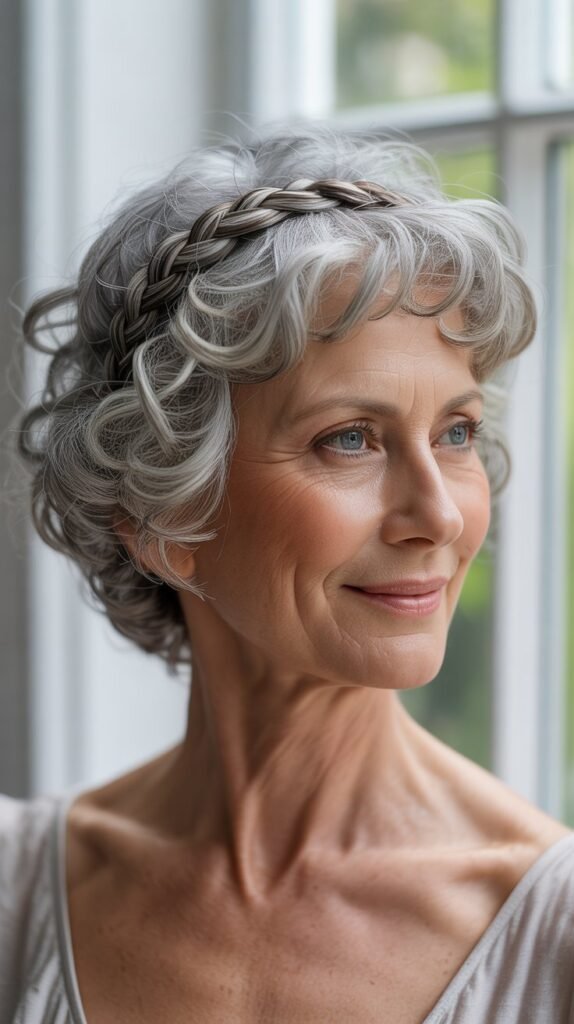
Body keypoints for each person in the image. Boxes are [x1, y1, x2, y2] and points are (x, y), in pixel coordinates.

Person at [1, 125, 573, 1024]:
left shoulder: (553, 934)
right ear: (162, 516)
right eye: (350, 438)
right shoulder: (16, 894)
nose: (442, 515)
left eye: (455, 433)